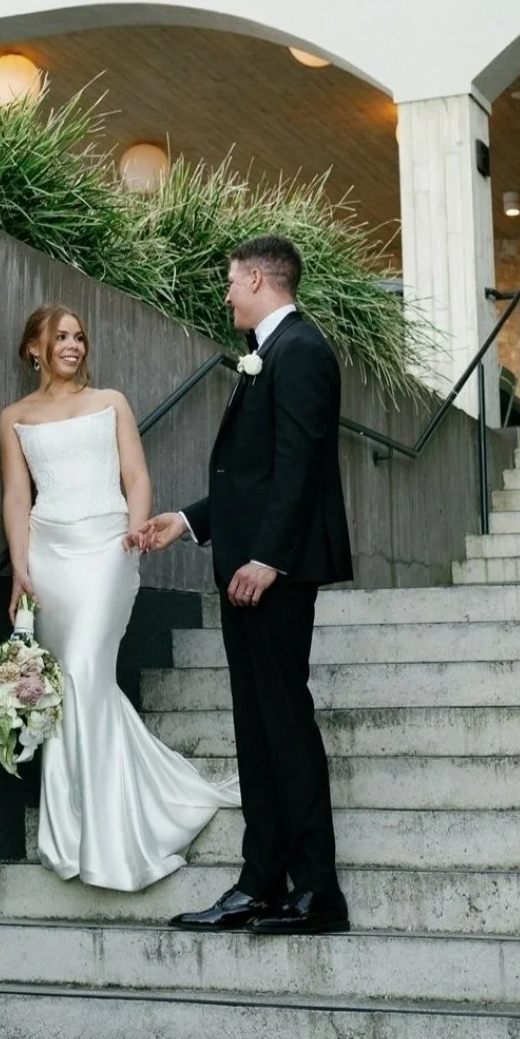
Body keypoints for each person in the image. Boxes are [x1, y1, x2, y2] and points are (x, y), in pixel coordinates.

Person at [132, 235, 353, 935]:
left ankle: (318, 891)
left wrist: (269, 559)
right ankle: (260, 882)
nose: (226, 293)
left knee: (284, 725)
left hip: (272, 576)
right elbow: (251, 477)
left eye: (231, 281)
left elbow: (299, 468)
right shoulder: (273, 352)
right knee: (257, 730)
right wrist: (189, 522)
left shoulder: (302, 351)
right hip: (249, 565)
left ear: (259, 279)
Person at [0, 305, 238, 892]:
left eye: (80, 336)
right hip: (50, 559)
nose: (74, 345)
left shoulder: (112, 402)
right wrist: (18, 570)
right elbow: (14, 495)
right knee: (75, 687)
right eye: (61, 337)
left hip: (109, 550)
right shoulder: (14, 417)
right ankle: (80, 824)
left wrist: (133, 531)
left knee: (83, 670)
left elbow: (137, 477)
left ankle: (109, 842)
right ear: (35, 347)